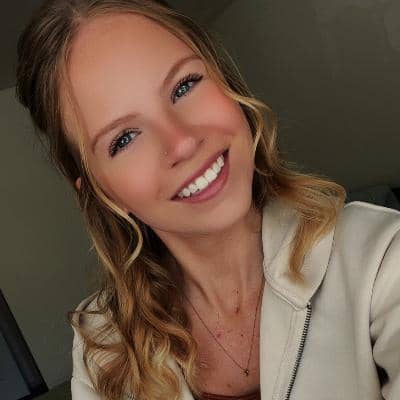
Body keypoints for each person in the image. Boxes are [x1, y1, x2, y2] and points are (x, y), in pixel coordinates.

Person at [15, 0, 400, 399]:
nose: (182, 142)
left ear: (225, 82)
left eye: (184, 86)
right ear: (101, 191)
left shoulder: (380, 261)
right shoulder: (102, 351)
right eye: (124, 139)